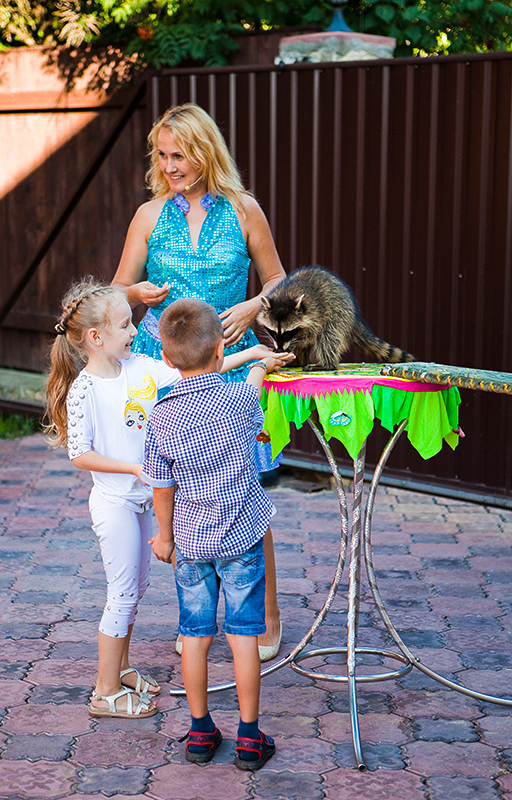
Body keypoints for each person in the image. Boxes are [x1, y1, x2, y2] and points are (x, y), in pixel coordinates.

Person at [45, 279, 286, 720]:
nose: (135, 331)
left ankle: (120, 669)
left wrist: (252, 355)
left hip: (140, 498)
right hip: (116, 503)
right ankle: (103, 691)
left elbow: (196, 372)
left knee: (135, 589)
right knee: (120, 593)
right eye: (125, 325)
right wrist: (135, 469)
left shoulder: (139, 366)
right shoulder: (85, 389)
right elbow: (80, 454)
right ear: (96, 337)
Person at [112, 102, 286, 660]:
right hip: (160, 372)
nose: (169, 166)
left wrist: (257, 303)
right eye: (161, 156)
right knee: (169, 489)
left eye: (179, 155)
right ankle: (197, 621)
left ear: (205, 152)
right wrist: (136, 295)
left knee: (241, 491)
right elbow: (117, 289)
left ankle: (263, 617)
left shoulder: (243, 209)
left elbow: (281, 278)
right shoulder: (148, 215)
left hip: (230, 367)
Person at [143, 298, 282, 770]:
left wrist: (164, 537)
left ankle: (201, 733)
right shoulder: (241, 400)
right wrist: (261, 364)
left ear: (165, 357)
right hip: (241, 538)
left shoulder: (160, 417)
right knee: (244, 635)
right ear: (221, 350)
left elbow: (162, 486)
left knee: (195, 635)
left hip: (191, 545)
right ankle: (248, 737)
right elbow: (255, 386)